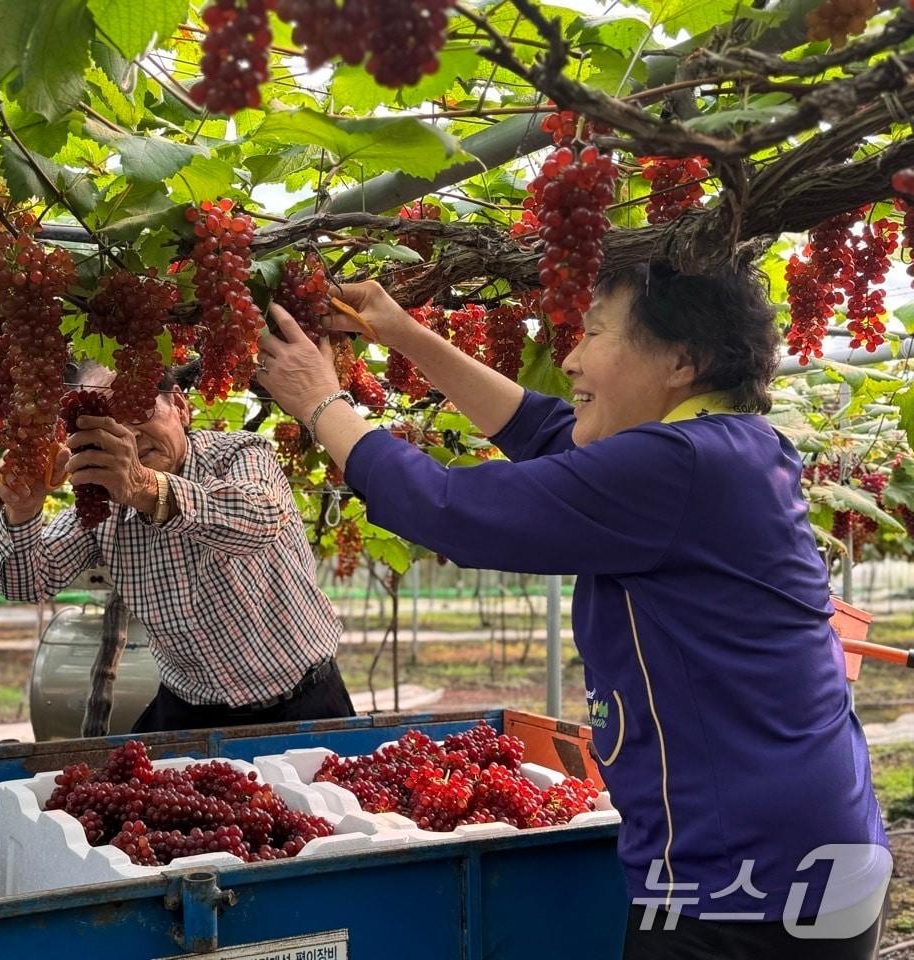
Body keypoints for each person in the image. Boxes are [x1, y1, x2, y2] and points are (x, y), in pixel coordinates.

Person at [255, 263, 889, 960]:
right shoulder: (726, 449)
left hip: (745, 880)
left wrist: (322, 405)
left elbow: (452, 511)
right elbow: (543, 427)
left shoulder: (677, 468)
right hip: (802, 853)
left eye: (593, 333)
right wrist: (405, 334)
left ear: (682, 361)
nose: (570, 357)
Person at [0, 364, 354, 733]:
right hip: (188, 711)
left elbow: (259, 519)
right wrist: (23, 511)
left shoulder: (238, 453)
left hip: (304, 701)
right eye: (105, 425)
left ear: (179, 405)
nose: (127, 436)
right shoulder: (104, 501)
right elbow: (23, 583)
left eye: (139, 412)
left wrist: (144, 488)